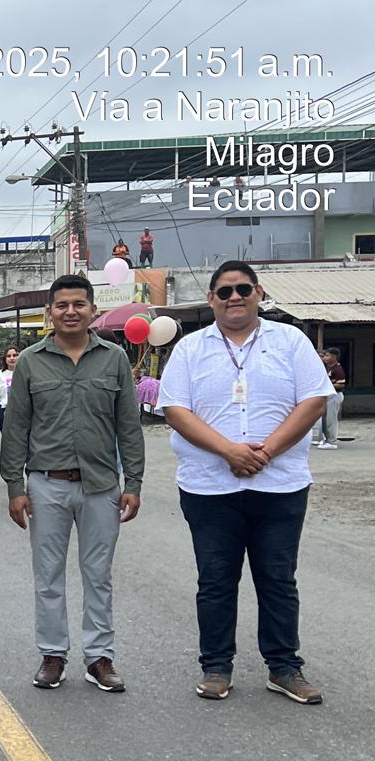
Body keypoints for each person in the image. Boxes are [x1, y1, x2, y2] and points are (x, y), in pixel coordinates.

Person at [157, 261, 332, 704]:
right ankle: (216, 667)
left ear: (259, 293)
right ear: (211, 299)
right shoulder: (190, 349)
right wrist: (229, 451)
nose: (234, 297)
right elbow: (175, 410)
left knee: (278, 579)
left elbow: (314, 401)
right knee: (215, 581)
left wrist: (265, 452)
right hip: (209, 487)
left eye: (243, 289)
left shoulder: (291, 341)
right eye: (224, 291)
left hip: (280, 486)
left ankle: (284, 667)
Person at [0, 276, 145, 693]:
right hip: (47, 484)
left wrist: (133, 482)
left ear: (93, 310)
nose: (70, 312)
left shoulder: (114, 358)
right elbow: (17, 428)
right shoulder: (31, 361)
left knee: (98, 575)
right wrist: (15, 487)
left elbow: (128, 426)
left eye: (79, 304)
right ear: (50, 312)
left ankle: (99, 657)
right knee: (48, 576)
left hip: (101, 485)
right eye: (61, 305)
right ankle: (53, 655)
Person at [311, 348, 345, 449]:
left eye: (327, 356)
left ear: (334, 357)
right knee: (325, 419)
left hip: (334, 396)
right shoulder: (330, 368)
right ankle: (326, 439)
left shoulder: (338, 369)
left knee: (331, 420)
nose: (324, 358)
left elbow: (341, 384)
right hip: (328, 396)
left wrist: (327, 386)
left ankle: (332, 442)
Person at [0, 345, 19, 431]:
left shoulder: (25, 373)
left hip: (22, 411)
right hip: (5, 411)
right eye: (9, 356)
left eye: (15, 355)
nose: (12, 358)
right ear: (5, 359)